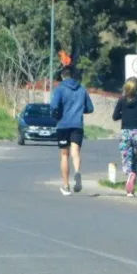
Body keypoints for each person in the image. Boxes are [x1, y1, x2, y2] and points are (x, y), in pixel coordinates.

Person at [50, 63, 94, 196]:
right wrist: (79, 110)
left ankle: (66, 186)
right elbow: (90, 108)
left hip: (63, 125)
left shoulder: (59, 89)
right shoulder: (81, 89)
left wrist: (56, 115)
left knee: (64, 155)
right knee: (76, 151)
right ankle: (77, 172)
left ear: (62, 76)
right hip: (77, 125)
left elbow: (54, 106)